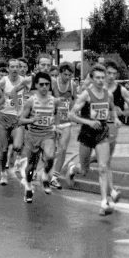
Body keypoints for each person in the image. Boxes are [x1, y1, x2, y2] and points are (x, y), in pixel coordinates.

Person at [68, 64, 120, 215]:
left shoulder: (108, 94)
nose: (100, 80)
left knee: (103, 167)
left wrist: (115, 119)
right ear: (91, 78)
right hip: (87, 132)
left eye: (102, 77)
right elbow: (71, 115)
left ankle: (104, 201)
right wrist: (88, 122)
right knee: (84, 170)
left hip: (102, 131)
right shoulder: (86, 95)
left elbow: (112, 108)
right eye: (97, 77)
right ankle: (73, 168)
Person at [16, 71, 58, 203]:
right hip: (33, 135)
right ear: (36, 85)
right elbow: (21, 120)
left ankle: (45, 175)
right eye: (42, 84)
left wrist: (57, 126)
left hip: (47, 134)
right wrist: (32, 120)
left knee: (50, 156)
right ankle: (28, 186)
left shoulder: (54, 101)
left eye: (47, 84)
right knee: (30, 167)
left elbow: (55, 115)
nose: (45, 87)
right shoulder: (31, 101)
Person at [0, 58, 30, 185]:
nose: (15, 69)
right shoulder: (2, 82)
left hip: (17, 118)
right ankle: (3, 172)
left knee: (18, 146)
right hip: (4, 117)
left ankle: (14, 152)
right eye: (12, 67)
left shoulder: (24, 81)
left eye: (17, 67)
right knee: (3, 150)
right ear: (8, 68)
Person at [47, 62, 76, 190]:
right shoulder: (53, 83)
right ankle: (45, 171)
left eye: (70, 75)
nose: (67, 77)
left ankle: (54, 178)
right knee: (50, 151)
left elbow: (74, 99)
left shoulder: (72, 84)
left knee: (63, 148)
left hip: (66, 121)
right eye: (65, 74)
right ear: (60, 73)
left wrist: (73, 111)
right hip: (52, 121)